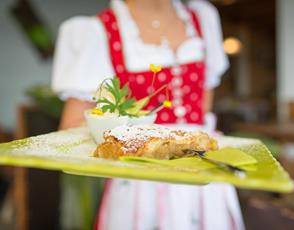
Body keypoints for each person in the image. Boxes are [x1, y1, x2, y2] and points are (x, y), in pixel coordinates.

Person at [52, 0, 245, 229]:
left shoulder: (202, 18)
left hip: (205, 179)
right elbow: (73, 127)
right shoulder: (97, 31)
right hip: (139, 186)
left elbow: (202, 112)